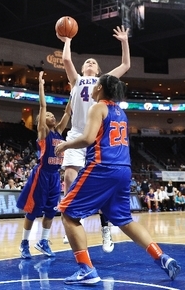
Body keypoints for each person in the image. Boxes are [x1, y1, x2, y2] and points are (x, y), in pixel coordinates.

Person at [55, 74, 181, 284]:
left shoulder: (98, 108)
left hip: (102, 167)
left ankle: (86, 269)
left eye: (96, 85)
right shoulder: (121, 112)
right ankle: (162, 257)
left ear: (101, 89)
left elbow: (87, 139)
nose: (93, 89)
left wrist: (65, 145)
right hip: (124, 169)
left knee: (68, 213)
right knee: (125, 220)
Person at [56, 25, 130, 252]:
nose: (89, 63)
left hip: (98, 135)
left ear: (98, 70)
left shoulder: (103, 81)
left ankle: (105, 228)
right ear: (82, 68)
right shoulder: (76, 80)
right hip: (77, 133)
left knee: (101, 187)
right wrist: (67, 39)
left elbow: (126, 65)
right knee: (69, 175)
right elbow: (66, 60)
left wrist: (124, 41)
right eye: (86, 61)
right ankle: (72, 220)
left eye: (92, 62)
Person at [17, 71, 71, 259]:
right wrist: (41, 85)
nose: (51, 116)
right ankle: (24, 244)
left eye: (52, 115)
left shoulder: (59, 133)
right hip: (41, 174)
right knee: (32, 211)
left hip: (55, 176)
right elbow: (42, 105)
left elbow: (67, 112)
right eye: (48, 115)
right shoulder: (43, 133)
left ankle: (43, 241)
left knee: (50, 211)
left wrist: (75, 91)